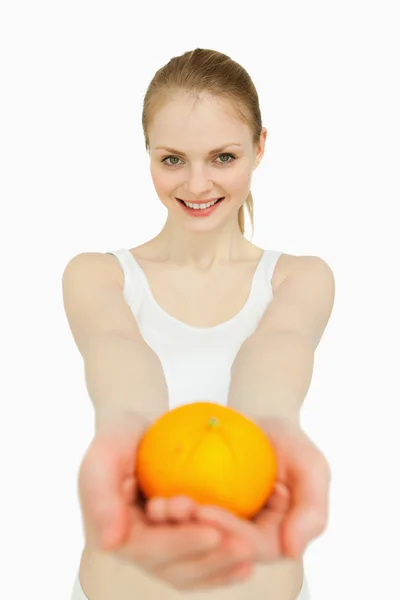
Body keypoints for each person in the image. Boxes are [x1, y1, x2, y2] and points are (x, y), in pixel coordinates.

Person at [63, 48, 335, 600]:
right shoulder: (97, 276)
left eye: (222, 157)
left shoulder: (301, 278)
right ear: (148, 156)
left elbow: (274, 361)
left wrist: (267, 432)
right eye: (172, 160)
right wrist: (129, 428)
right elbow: (122, 362)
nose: (196, 183)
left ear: (260, 148)